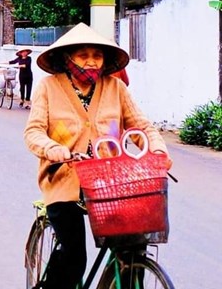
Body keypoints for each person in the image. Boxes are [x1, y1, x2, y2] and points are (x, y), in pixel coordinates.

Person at [23, 23, 171, 289]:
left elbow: (140, 127)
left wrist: (157, 149)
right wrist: (53, 149)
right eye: (83, 55)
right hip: (65, 184)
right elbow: (33, 132)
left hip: (111, 184)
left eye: (97, 56)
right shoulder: (48, 87)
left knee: (134, 246)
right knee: (74, 255)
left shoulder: (115, 87)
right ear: (67, 58)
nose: (91, 62)